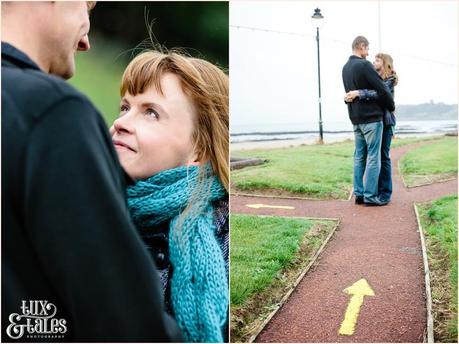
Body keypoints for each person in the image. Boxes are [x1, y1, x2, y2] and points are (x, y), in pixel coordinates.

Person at [1, 2, 182, 341]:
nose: (86, 42)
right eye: (87, 5)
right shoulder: (52, 111)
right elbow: (131, 326)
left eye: (151, 113)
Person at [109, 50, 229, 343]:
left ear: (199, 150)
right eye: (125, 107)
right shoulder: (85, 208)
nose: (121, 122)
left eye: (151, 112)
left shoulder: (224, 237)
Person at [342, 36, 395, 206]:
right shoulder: (364, 65)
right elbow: (383, 91)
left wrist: (356, 94)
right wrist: (391, 106)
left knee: (359, 157)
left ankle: (359, 194)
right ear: (361, 46)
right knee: (373, 157)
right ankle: (371, 196)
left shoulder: (345, 67)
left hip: (356, 119)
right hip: (372, 118)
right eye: (367, 48)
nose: (369, 53)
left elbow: (350, 94)